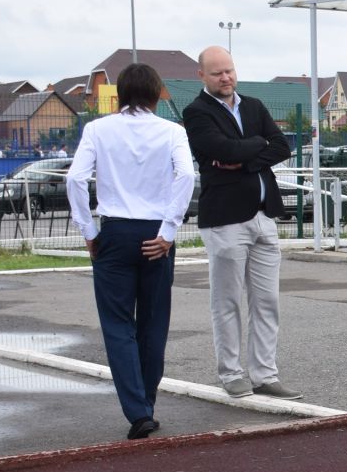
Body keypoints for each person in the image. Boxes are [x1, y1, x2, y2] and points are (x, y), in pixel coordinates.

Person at [67, 62, 195, 440]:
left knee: (118, 325)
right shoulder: (173, 131)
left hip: (116, 232)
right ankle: (148, 402)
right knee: (153, 323)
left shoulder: (97, 129)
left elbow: (75, 178)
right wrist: (169, 230)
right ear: (157, 94)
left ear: (119, 95)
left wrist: (88, 230)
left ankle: (138, 410)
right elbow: (186, 175)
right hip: (156, 234)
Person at [182, 45, 299, 400]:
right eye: (217, 73)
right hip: (226, 220)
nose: (226, 78)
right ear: (202, 76)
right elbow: (223, 150)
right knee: (227, 301)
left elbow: (281, 146)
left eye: (229, 70)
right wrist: (254, 147)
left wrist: (248, 158)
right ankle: (231, 373)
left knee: (267, 301)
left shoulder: (254, 106)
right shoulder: (196, 112)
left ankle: (265, 374)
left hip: (264, 216)